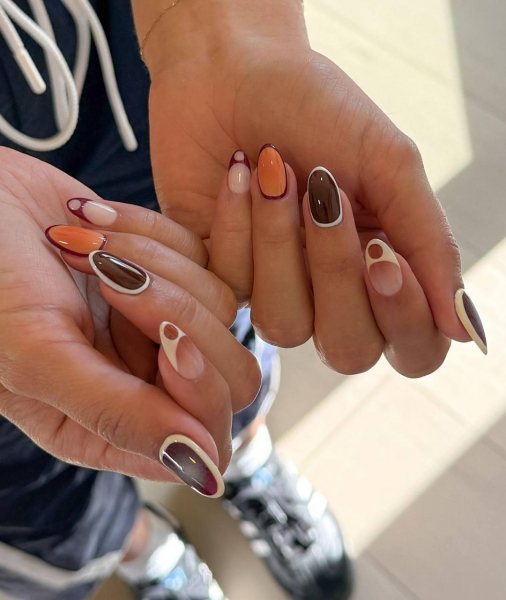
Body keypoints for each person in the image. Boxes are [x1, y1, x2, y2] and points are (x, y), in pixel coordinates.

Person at [0, 1, 487, 599]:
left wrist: (220, 32)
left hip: (120, 60)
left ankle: (245, 460)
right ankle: (144, 551)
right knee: (32, 461)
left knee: (211, 289)